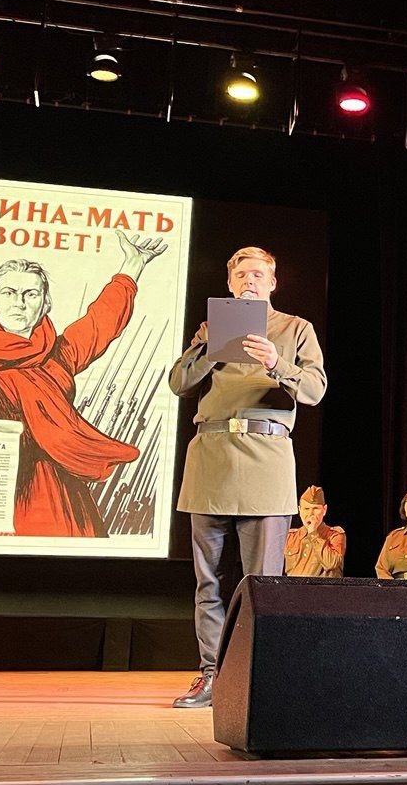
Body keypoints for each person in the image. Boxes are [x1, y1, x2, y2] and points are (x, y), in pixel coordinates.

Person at [0, 230, 168, 537]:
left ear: (45, 304)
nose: (19, 303)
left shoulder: (57, 355)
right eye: (8, 293)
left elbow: (100, 322)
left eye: (31, 294)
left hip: (48, 489)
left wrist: (133, 266)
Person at [168, 246, 327, 708]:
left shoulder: (295, 328)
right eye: (241, 276)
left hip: (266, 460)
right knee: (209, 582)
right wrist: (211, 347)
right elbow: (179, 383)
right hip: (211, 460)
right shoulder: (210, 330)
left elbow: (315, 390)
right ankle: (212, 675)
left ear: (272, 283)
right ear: (230, 284)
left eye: (258, 275)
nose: (250, 281)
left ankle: (260, 679)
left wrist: (276, 362)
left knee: (264, 583)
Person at [284, 485, 346, 577]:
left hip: (322, 586)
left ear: (324, 510)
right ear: (299, 510)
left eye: (316, 508)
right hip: (293, 586)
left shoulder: (335, 535)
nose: (310, 514)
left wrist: (313, 534)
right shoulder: (290, 536)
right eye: (306, 509)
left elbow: (331, 563)